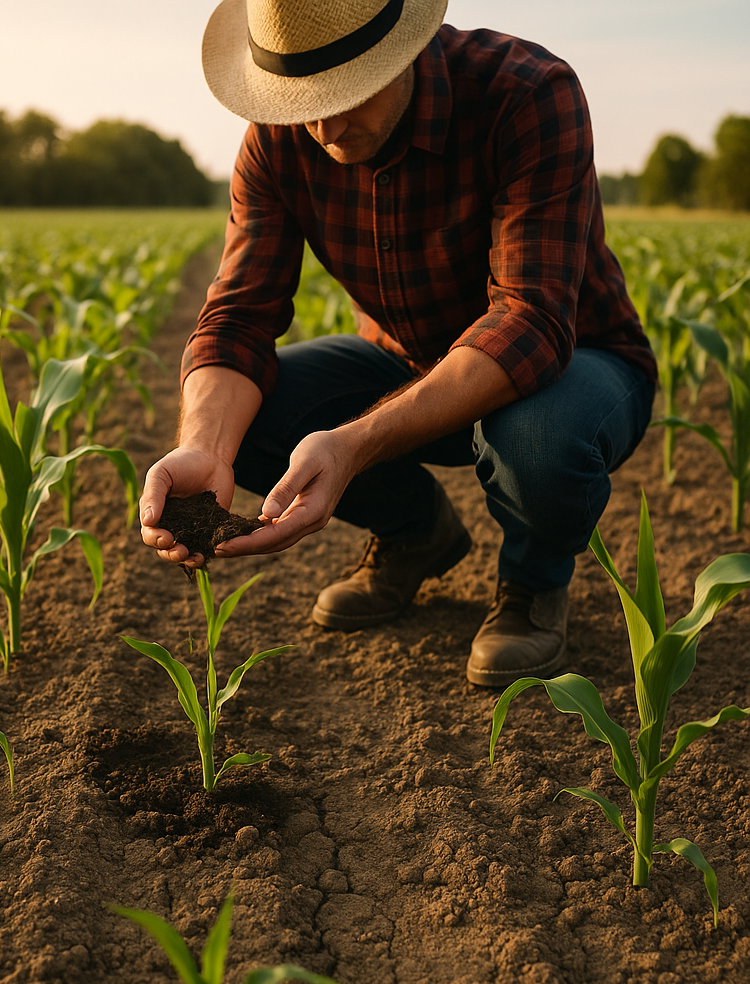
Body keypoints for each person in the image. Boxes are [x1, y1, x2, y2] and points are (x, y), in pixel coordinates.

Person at [139, 0, 657, 687]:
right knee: (251, 415)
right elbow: (237, 320)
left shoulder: (526, 92)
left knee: (534, 436)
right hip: (406, 359)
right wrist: (206, 447)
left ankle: (532, 585)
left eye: (347, 91)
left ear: (405, 49)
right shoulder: (277, 139)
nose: (323, 124)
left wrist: (353, 445)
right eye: (301, 100)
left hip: (575, 364)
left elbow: (529, 322)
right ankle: (418, 535)